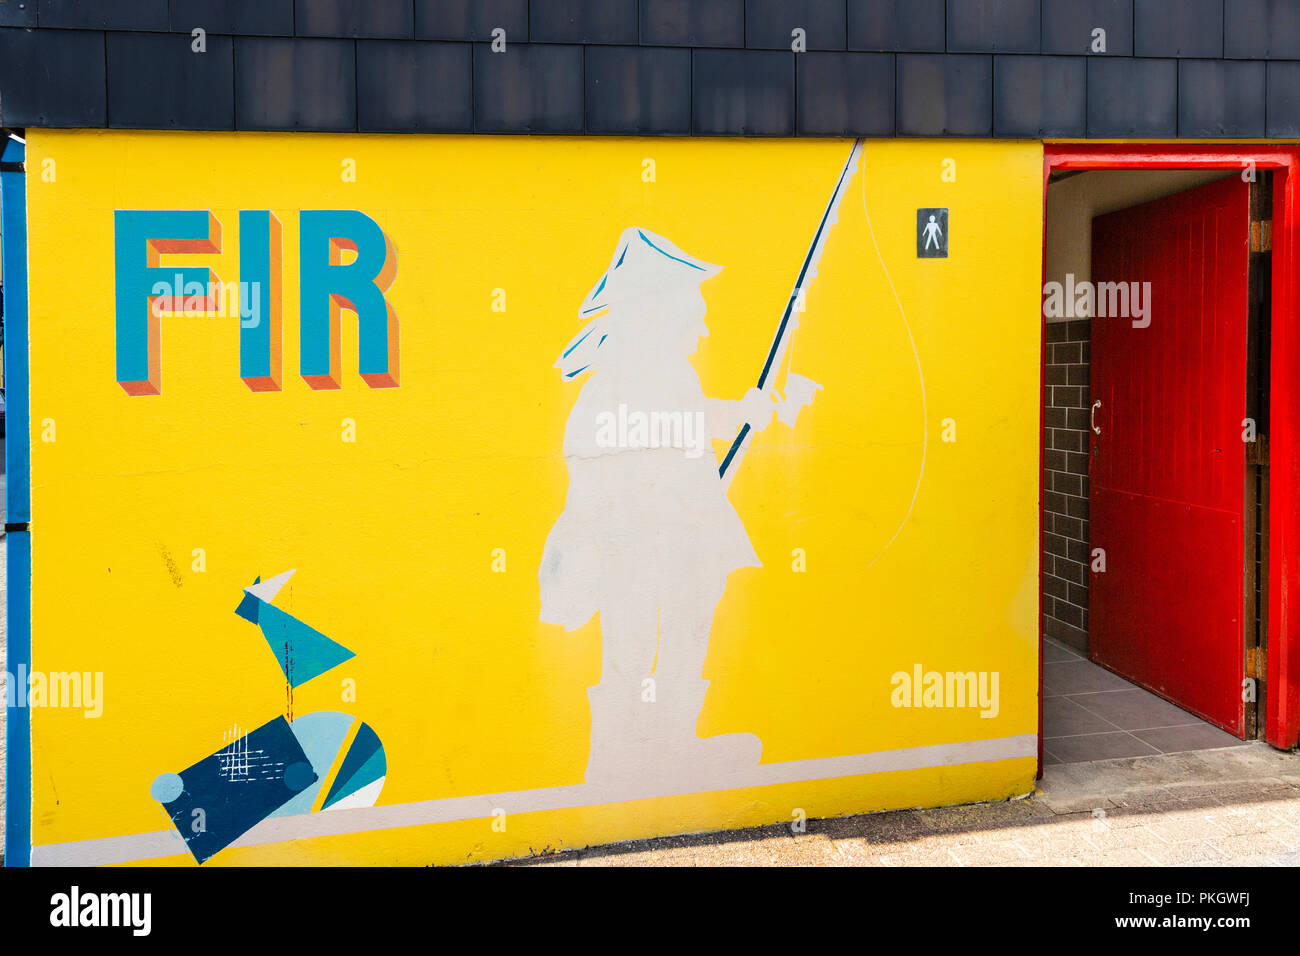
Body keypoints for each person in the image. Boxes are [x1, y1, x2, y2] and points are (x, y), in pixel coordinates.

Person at [539, 227, 781, 791]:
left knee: (674, 629)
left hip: (665, 537)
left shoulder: (651, 372)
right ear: (656, 311)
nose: (702, 323)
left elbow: (681, 420)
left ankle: (661, 747)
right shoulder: (639, 375)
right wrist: (738, 413)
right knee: (649, 633)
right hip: (647, 541)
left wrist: (742, 412)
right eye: (691, 308)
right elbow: (668, 425)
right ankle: (635, 753)